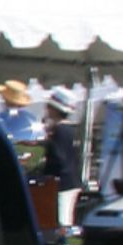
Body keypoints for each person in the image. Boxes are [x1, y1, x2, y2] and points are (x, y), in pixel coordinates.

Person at [43, 88, 83, 228]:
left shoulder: (58, 131)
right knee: (68, 220)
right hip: (73, 180)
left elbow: (58, 158)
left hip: (62, 183)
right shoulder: (72, 130)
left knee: (62, 222)